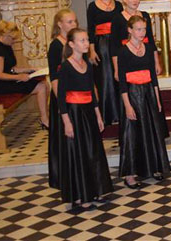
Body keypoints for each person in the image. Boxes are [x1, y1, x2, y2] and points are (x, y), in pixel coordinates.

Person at [58, 28, 113, 209]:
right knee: (79, 153)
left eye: (87, 40)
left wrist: (98, 115)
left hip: (89, 112)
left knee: (93, 151)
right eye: (82, 40)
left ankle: (95, 190)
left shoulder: (87, 64)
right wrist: (67, 122)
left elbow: (92, 91)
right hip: (74, 113)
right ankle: (80, 195)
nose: (86, 43)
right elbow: (61, 98)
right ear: (71, 44)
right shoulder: (66, 67)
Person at [117, 16, 170, 187]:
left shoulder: (147, 48)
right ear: (130, 30)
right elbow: (122, 81)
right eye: (138, 29)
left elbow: (153, 76)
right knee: (132, 134)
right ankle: (130, 175)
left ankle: (153, 167)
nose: (142, 32)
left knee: (152, 131)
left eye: (144, 29)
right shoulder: (123, 51)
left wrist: (157, 98)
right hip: (132, 94)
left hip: (148, 94)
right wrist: (127, 105)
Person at [0, 20, 50, 129]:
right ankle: (44, 120)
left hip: (10, 81)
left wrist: (30, 69)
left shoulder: (6, 47)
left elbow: (11, 68)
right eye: (13, 39)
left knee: (44, 84)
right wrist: (19, 77)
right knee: (40, 87)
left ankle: (46, 116)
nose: (14, 41)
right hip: (2, 86)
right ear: (6, 36)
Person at [86, 0, 122, 125]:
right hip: (101, 45)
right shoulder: (93, 6)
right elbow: (91, 29)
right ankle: (107, 115)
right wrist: (92, 50)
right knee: (105, 78)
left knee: (118, 77)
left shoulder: (118, 5)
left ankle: (120, 113)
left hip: (117, 43)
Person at [47, 10, 77, 189]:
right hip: (63, 98)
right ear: (60, 24)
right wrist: (62, 103)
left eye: (75, 21)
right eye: (69, 22)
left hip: (77, 96)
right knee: (64, 138)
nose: (73, 24)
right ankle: (65, 177)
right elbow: (55, 78)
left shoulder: (74, 43)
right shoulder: (56, 46)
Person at [111, 0, 161, 80]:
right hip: (127, 56)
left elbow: (151, 40)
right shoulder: (117, 18)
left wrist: (157, 62)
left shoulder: (145, 15)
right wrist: (116, 69)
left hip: (145, 54)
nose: (135, 0)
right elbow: (114, 46)